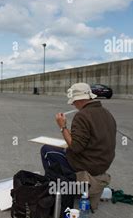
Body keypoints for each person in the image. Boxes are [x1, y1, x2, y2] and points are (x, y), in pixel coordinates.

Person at [40, 82, 117, 210]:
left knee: (47, 150)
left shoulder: (82, 116)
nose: (72, 104)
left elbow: (76, 148)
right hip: (101, 164)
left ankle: (57, 191)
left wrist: (62, 126)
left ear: (80, 99)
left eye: (73, 101)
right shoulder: (106, 113)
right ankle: (68, 186)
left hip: (87, 165)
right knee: (60, 150)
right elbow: (89, 140)